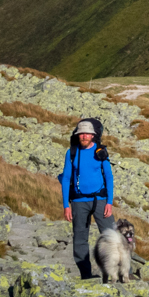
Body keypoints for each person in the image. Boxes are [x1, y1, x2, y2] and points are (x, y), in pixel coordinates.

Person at [61, 120, 116, 280]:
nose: (84, 136)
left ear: (93, 135)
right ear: (77, 135)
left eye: (87, 134)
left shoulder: (101, 152)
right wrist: (66, 205)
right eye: (81, 134)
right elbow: (66, 179)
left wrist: (109, 202)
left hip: (100, 200)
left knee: (111, 236)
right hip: (78, 202)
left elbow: (109, 177)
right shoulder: (71, 152)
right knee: (80, 239)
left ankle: (121, 273)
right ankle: (86, 276)